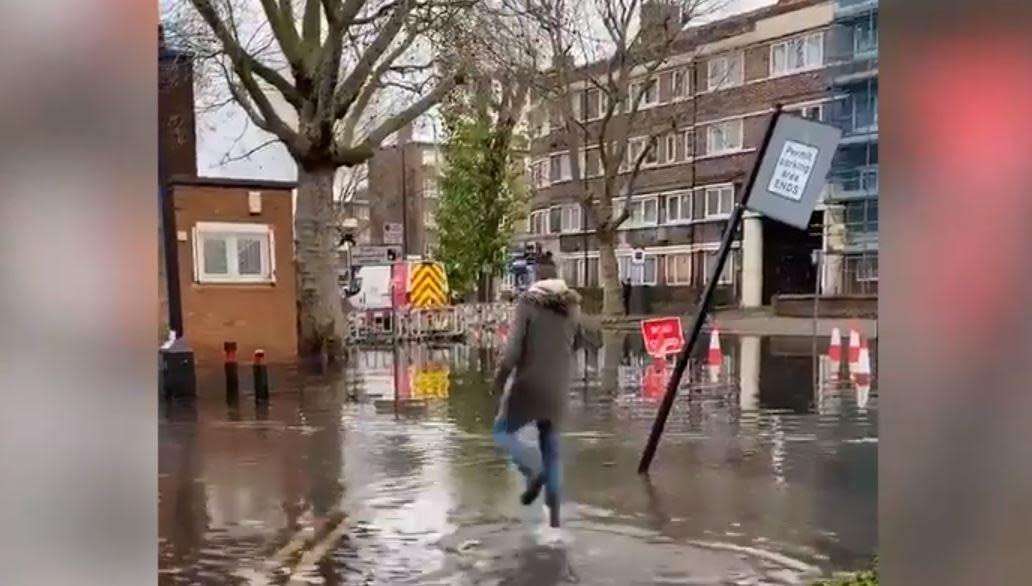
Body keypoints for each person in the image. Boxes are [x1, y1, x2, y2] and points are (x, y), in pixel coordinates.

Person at [492, 263, 599, 528]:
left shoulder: (527, 303)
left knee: (502, 431)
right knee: (551, 445)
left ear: (534, 280)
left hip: (528, 385)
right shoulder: (572, 306)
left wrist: (500, 378)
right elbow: (585, 340)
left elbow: (513, 352)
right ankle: (554, 517)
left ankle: (532, 468)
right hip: (558, 387)